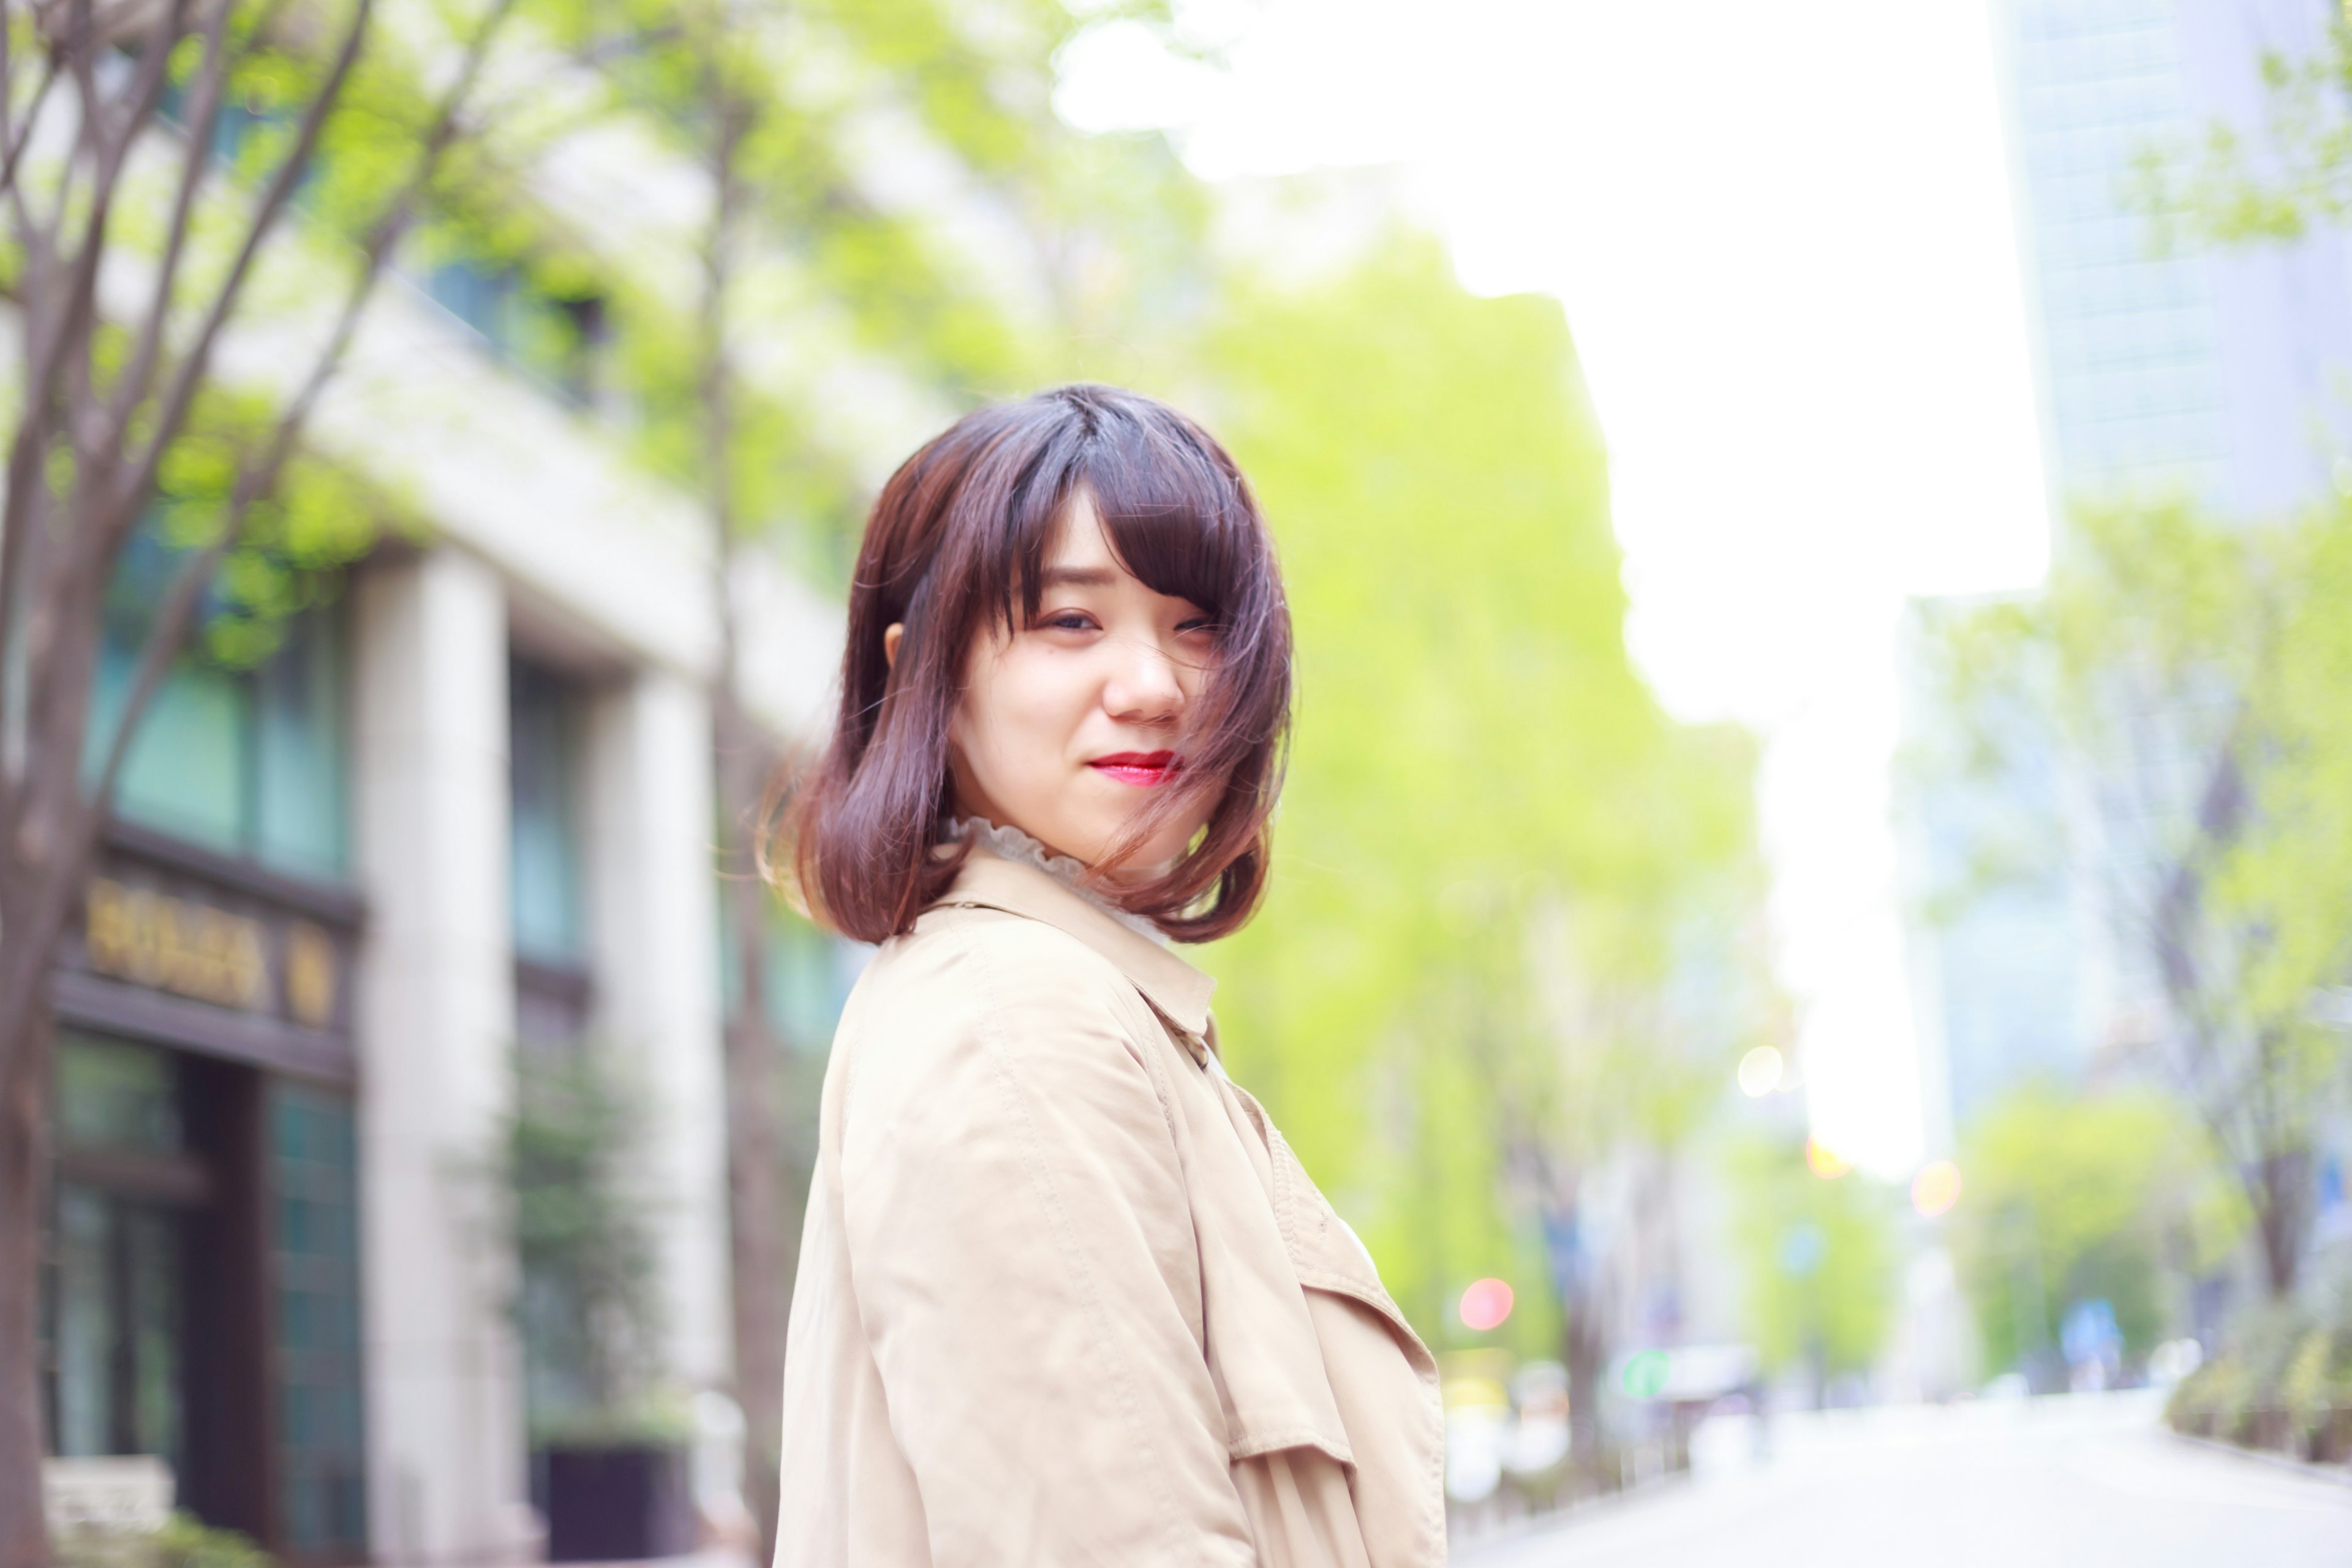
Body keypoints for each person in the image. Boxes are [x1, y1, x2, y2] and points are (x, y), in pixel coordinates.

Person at [773, 385, 1444, 1567]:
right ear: (922, 668)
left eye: (1195, 625)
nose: (1156, 685)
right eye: (1070, 622)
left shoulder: (1081, 1001)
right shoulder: (1013, 1023)